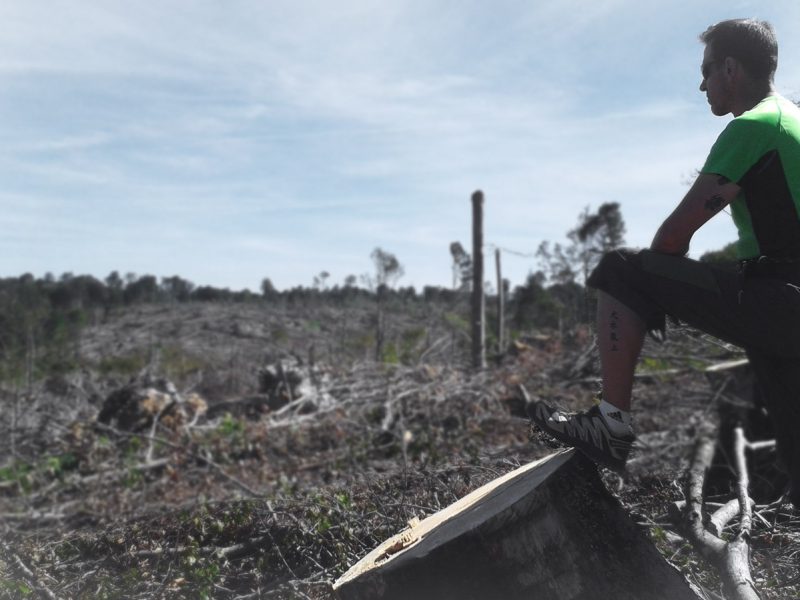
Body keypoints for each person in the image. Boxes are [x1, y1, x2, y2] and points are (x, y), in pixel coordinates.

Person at [528, 18, 800, 508]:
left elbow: (672, 238)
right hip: (782, 312)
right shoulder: (793, 119)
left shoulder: (755, 125)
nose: (701, 84)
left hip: (780, 297)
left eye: (707, 70)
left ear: (731, 68)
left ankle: (610, 426)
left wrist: (663, 286)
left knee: (622, 269)